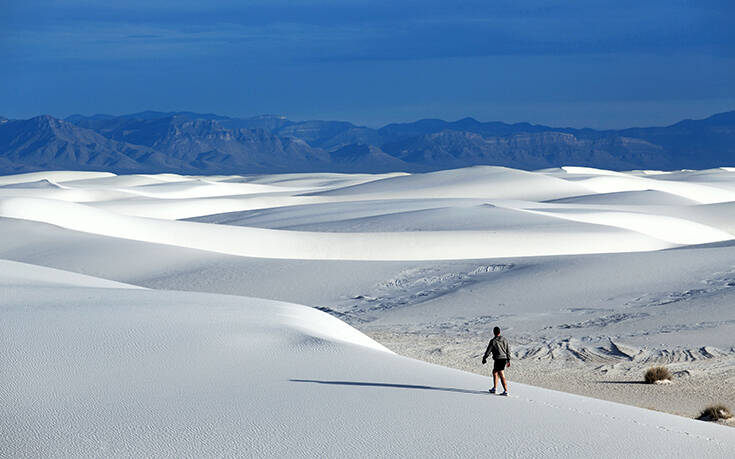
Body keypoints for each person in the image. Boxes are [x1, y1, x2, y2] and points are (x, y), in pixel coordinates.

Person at [482, 326, 511, 395]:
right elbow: (508, 350)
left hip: (498, 359)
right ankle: (495, 388)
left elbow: (488, 351)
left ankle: (505, 391)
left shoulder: (493, 341)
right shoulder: (504, 339)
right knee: (495, 372)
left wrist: (484, 358)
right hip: (504, 359)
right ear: (499, 332)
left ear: (494, 332)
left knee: (501, 374)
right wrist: (508, 360)